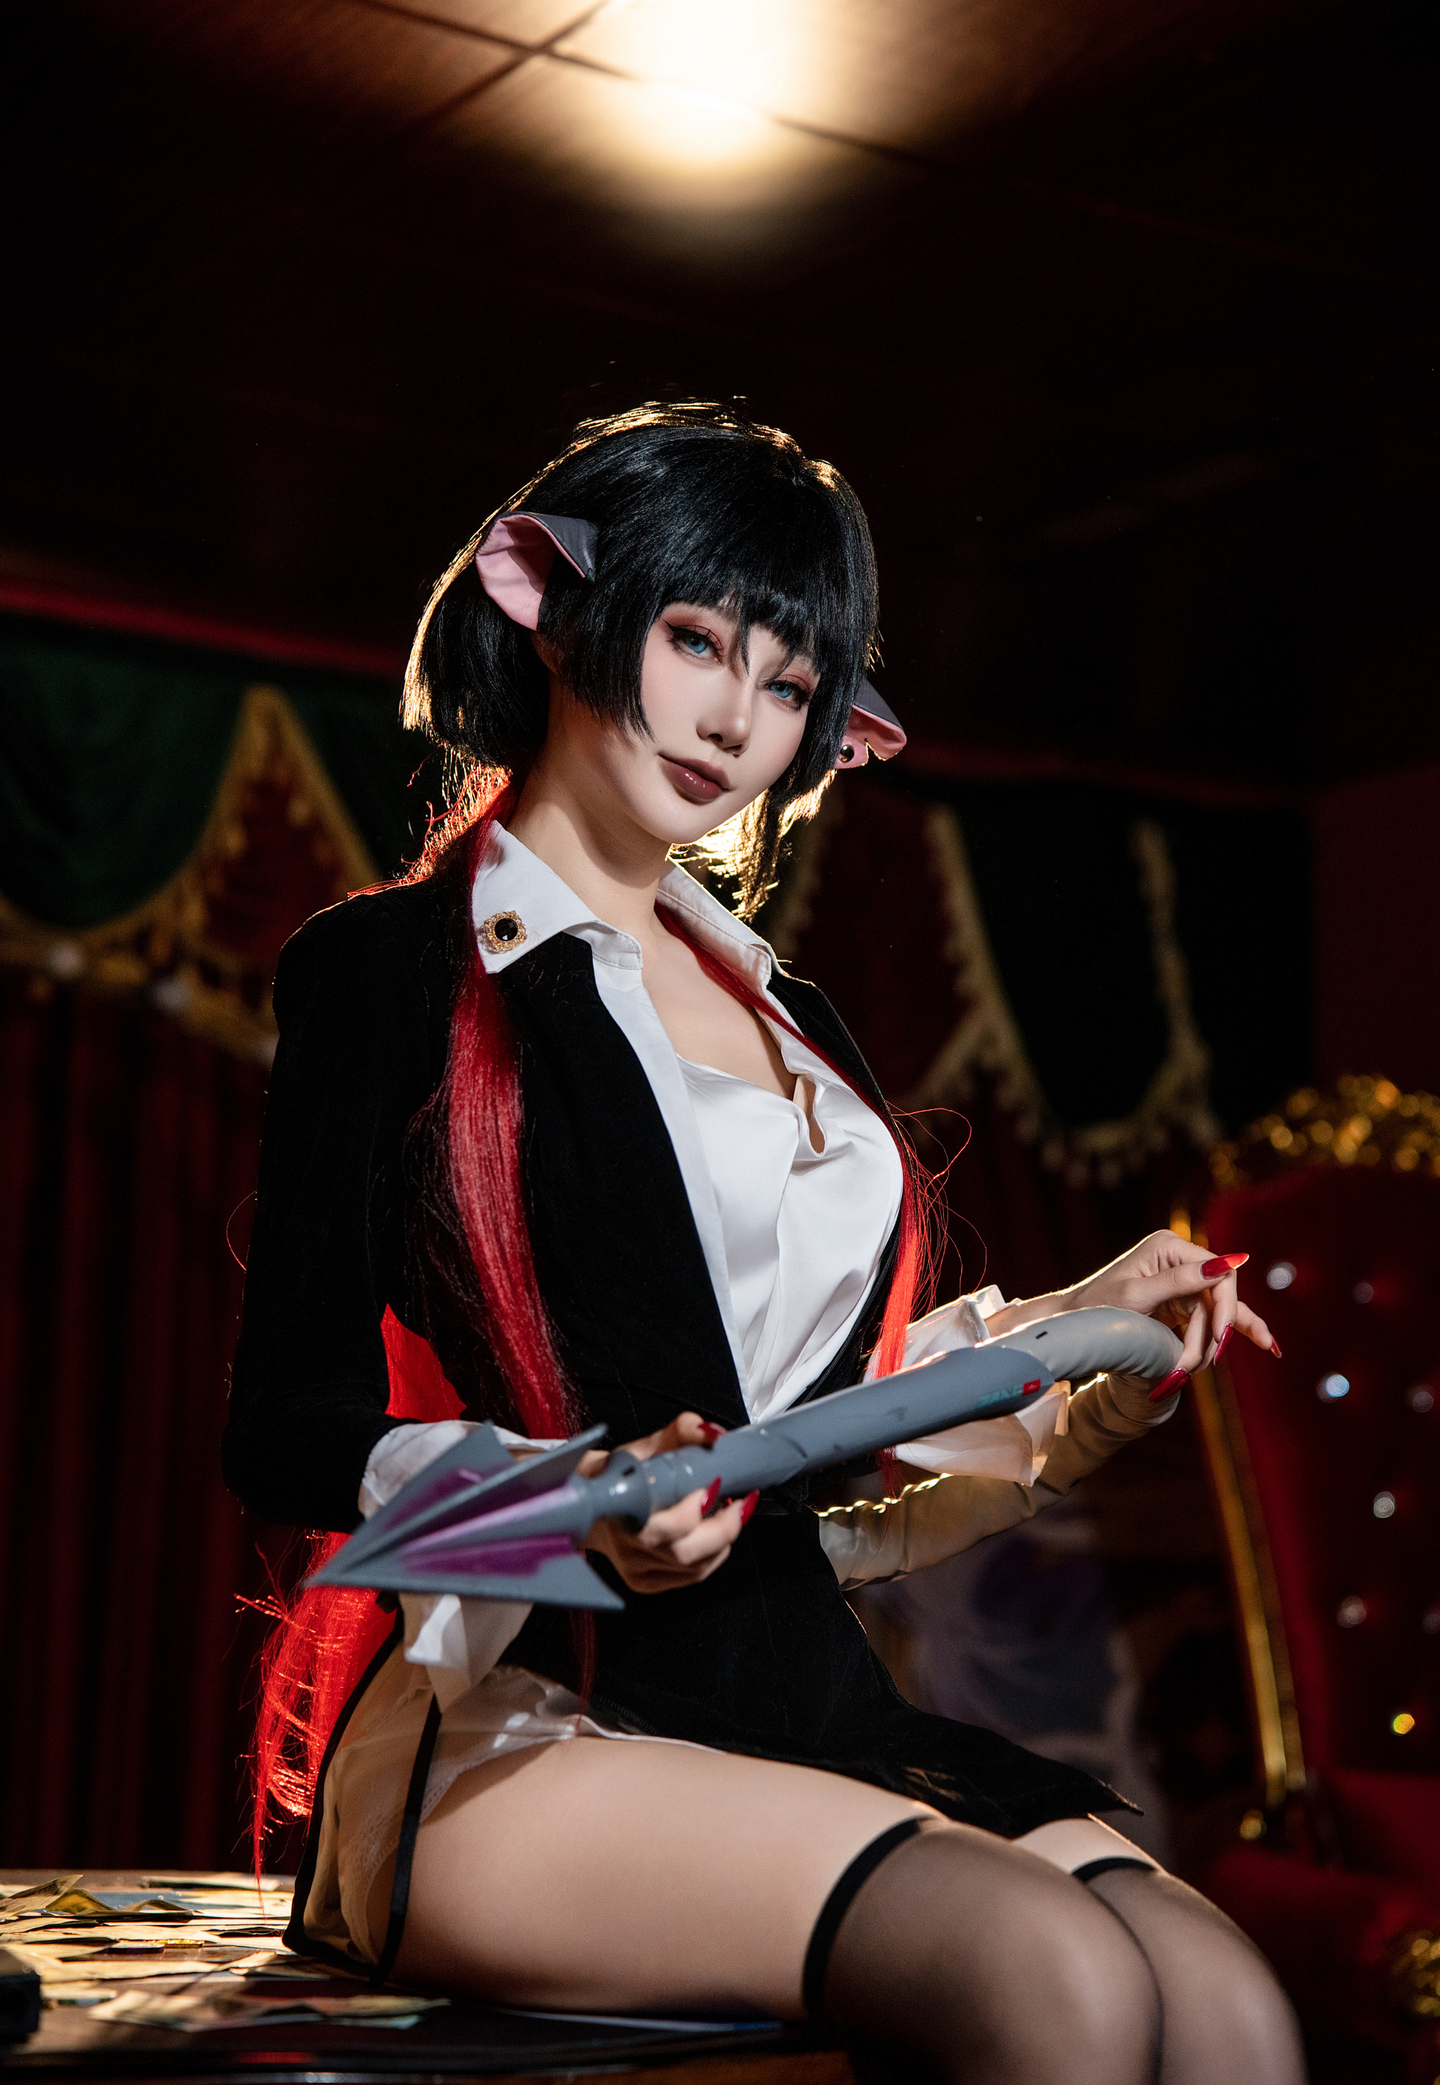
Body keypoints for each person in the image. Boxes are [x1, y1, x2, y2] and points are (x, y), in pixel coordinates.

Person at [223, 402, 1305, 2084]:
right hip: (528, 1720)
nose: (737, 718)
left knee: (1231, 2008)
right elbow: (284, 1428)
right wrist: (579, 1504)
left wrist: (1087, 1324)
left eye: (791, 682)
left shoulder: (791, 1020)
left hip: (795, 1695)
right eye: (696, 640)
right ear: (558, 607)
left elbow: (816, 1445)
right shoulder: (388, 975)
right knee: (1055, 1979)